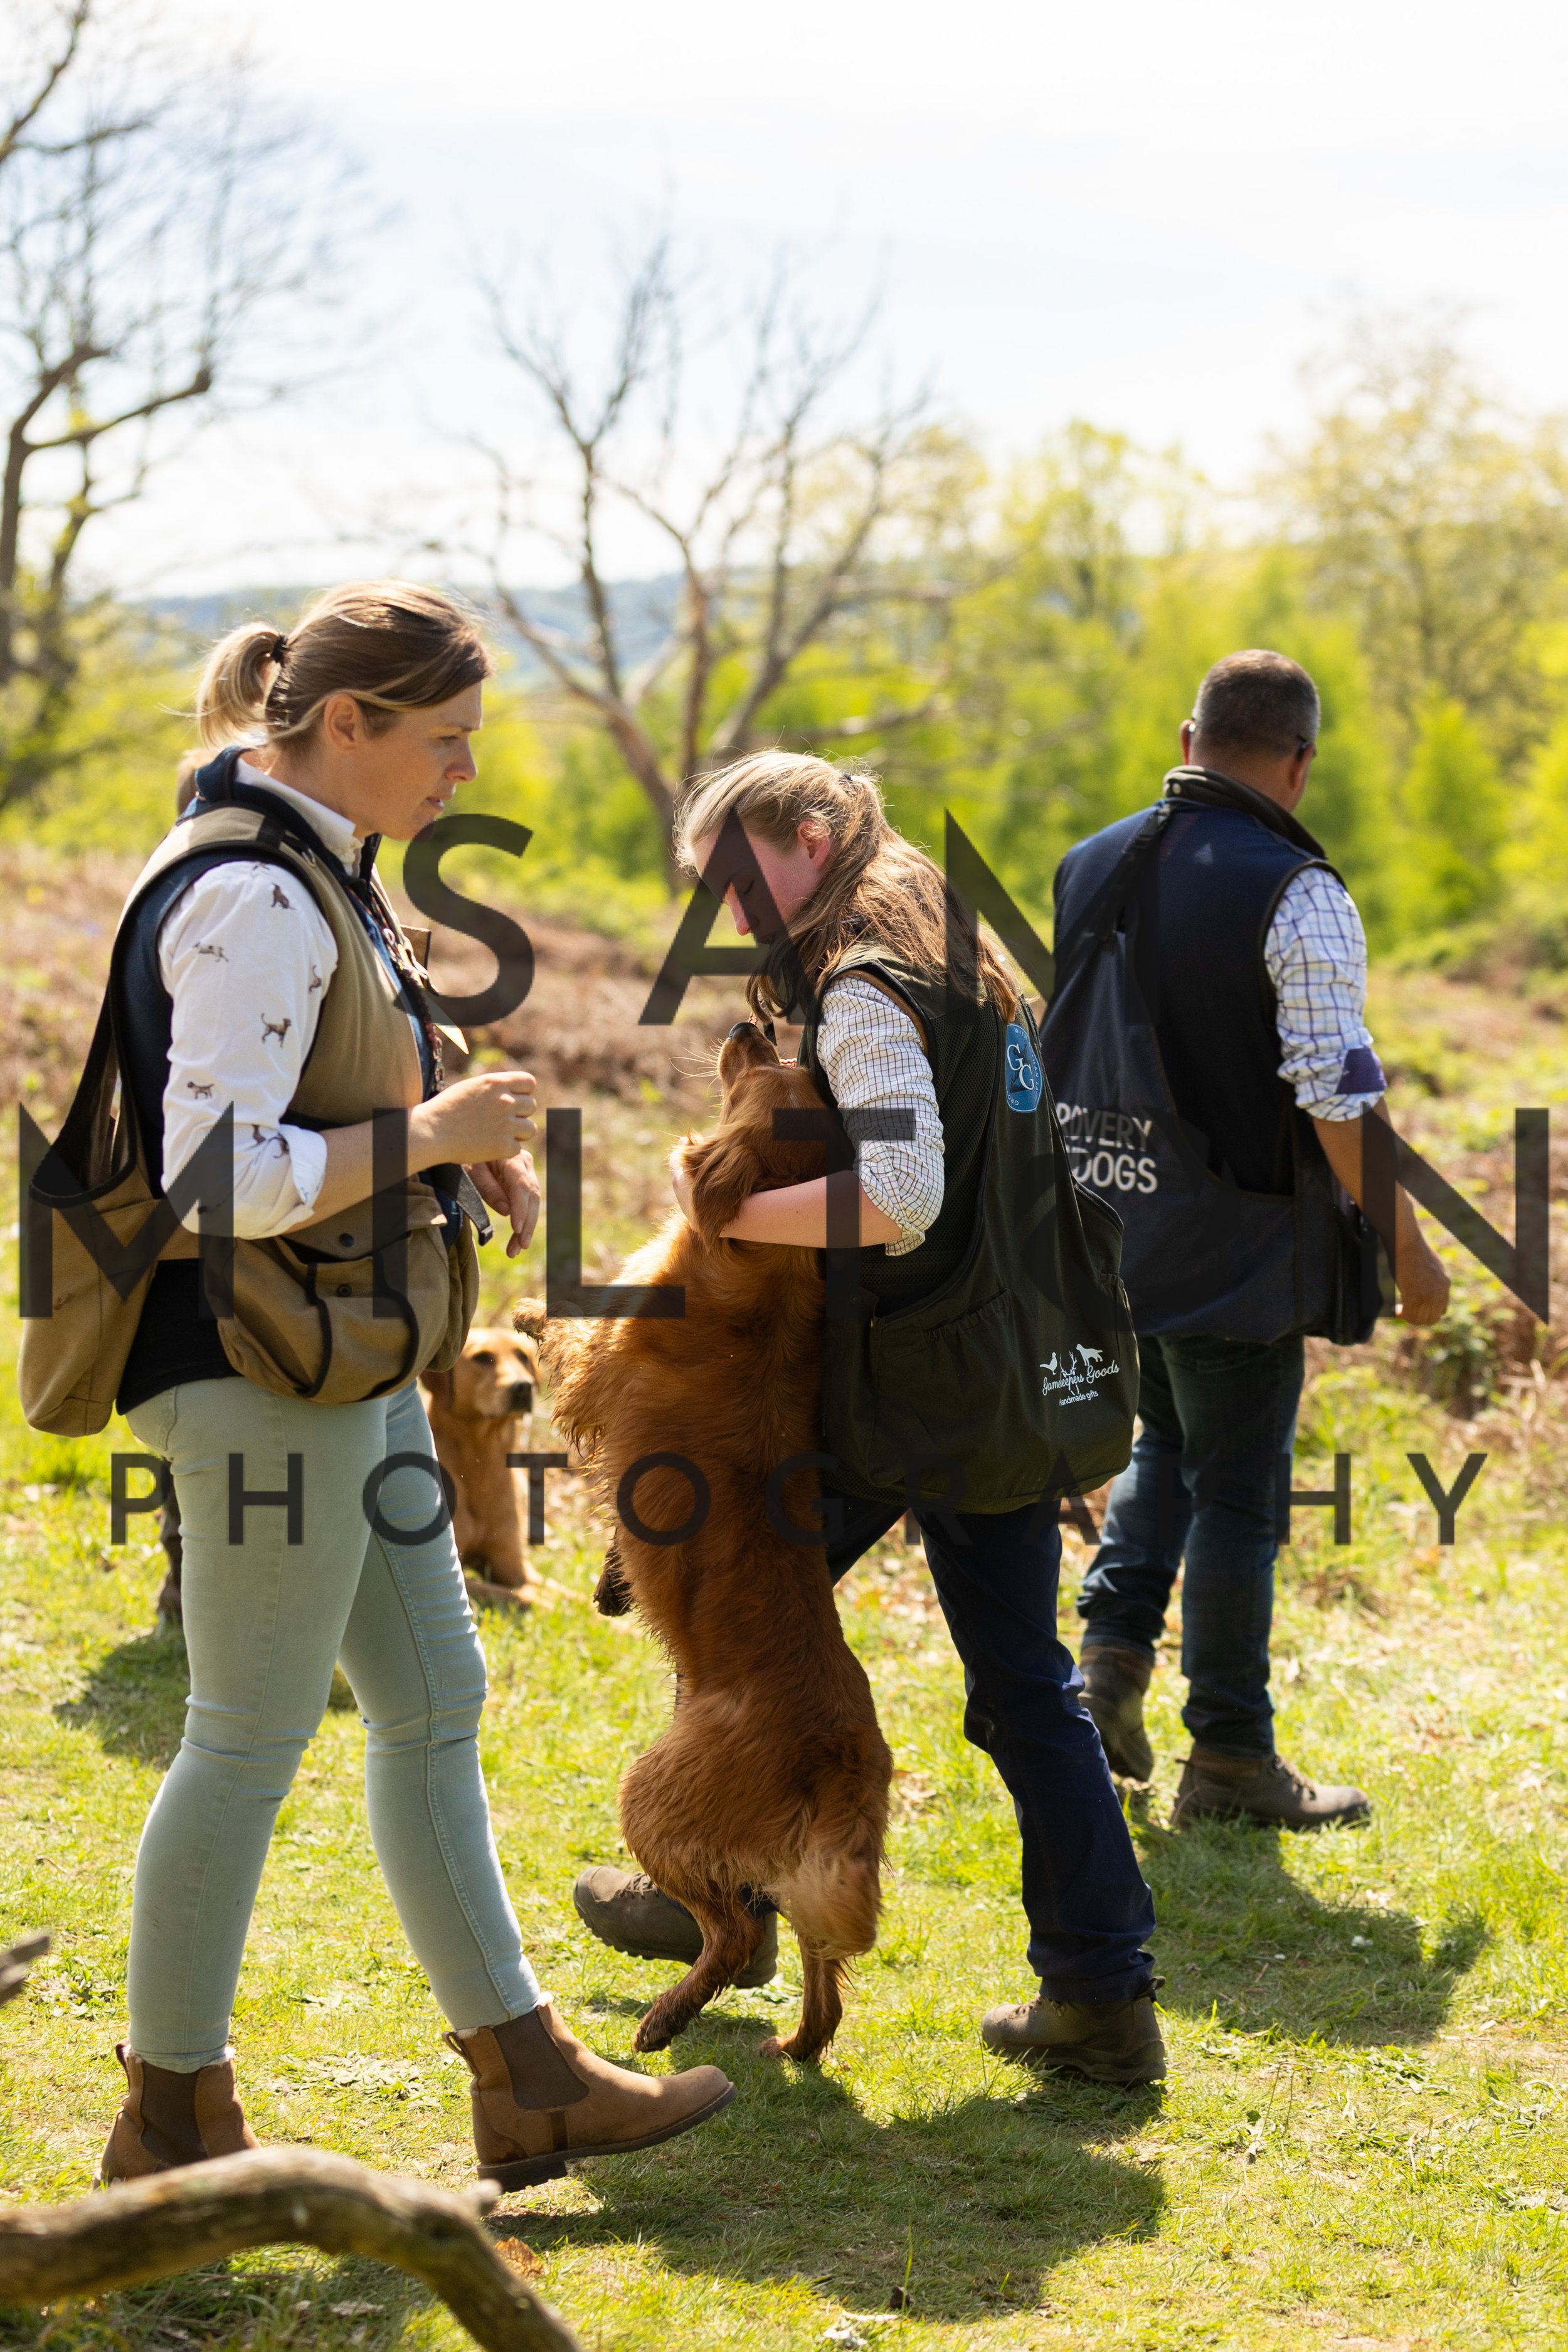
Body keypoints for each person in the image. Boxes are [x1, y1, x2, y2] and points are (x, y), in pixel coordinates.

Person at [66, 585, 733, 2182]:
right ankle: (169, 2124)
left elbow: (316, 1093)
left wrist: (438, 1174)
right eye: (440, 743)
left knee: (435, 1696)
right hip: (249, 1371)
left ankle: (526, 2077)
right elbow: (214, 1171)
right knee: (243, 1733)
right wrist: (427, 1143)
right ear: (344, 725)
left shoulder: (314, 871)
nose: (459, 775)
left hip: (330, 1361)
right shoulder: (256, 895)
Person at [574, 754, 1165, 2085]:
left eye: (737, 879)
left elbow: (898, 1193)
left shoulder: (861, 982)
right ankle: (1098, 1993)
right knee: (994, 1679)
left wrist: (717, 1217)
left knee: (745, 1612)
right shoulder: (945, 939)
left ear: (815, 832)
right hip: (992, 1365)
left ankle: (715, 1894)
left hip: (911, 1387)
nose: (725, 916)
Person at [1044, 650, 1449, 1831]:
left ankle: (1106, 1674)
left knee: (1168, 1440)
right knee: (1239, 1495)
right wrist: (1408, 1252)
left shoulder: (1090, 861)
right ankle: (1227, 1754)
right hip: (1230, 1249)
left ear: (1188, 739)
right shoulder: (1297, 891)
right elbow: (1333, 1096)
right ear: (1302, 765)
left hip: (1107, 1224)